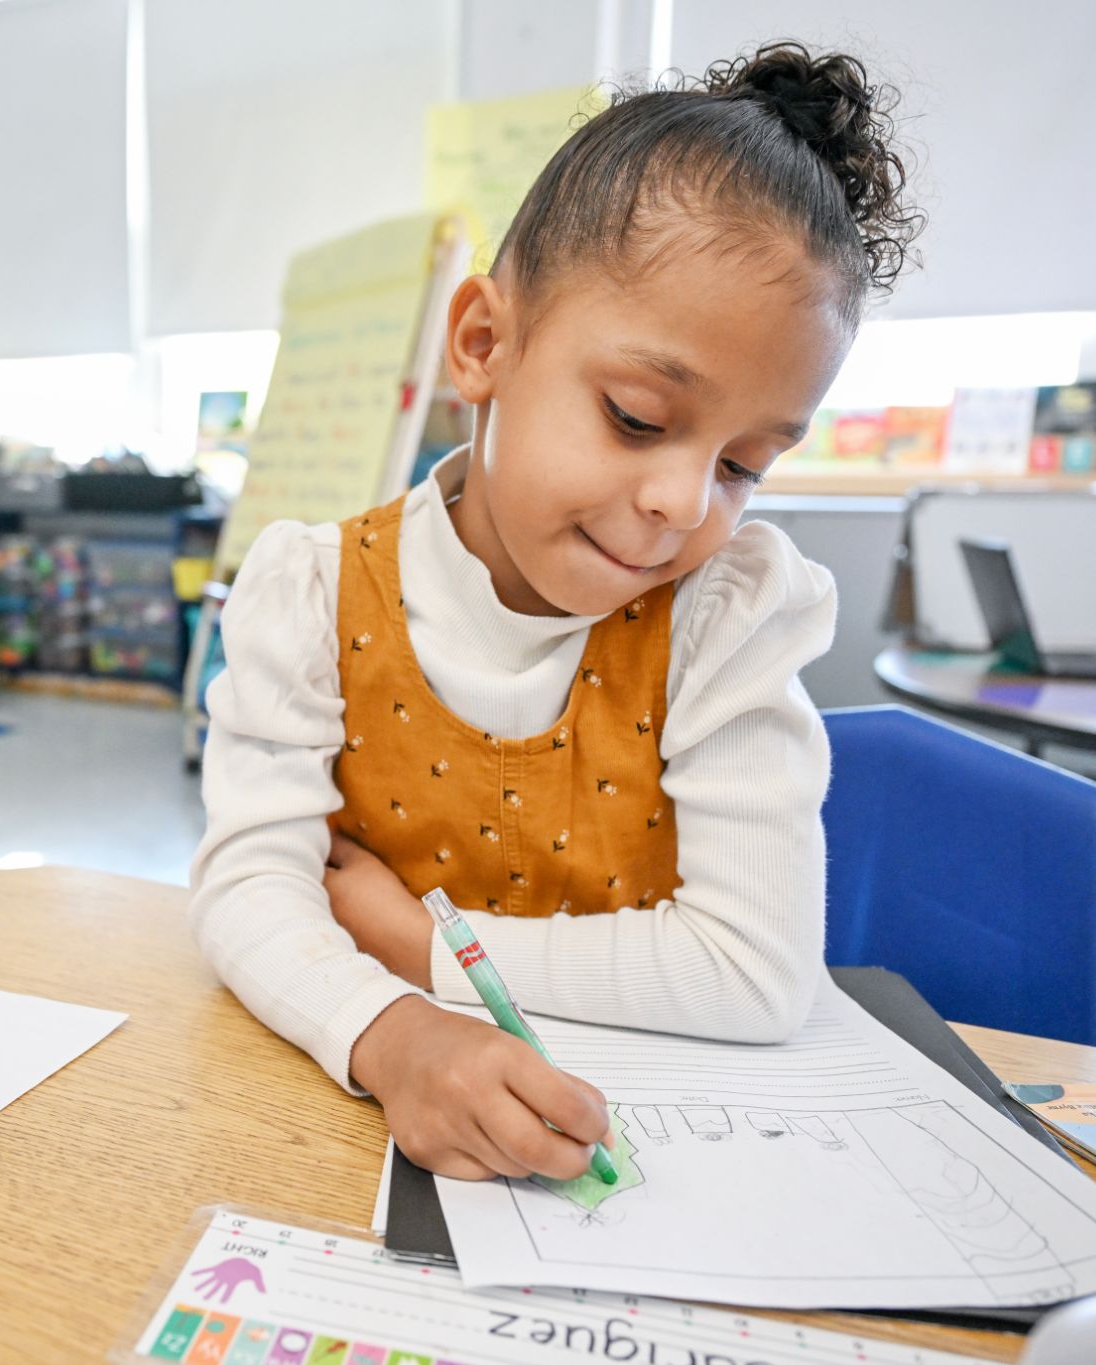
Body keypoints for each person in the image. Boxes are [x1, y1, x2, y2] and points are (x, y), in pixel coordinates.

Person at [192, 42, 923, 1183]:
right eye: (637, 418)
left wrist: (414, 950)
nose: (681, 503)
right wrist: (391, 1035)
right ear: (483, 343)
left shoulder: (724, 615)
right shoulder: (310, 593)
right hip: (342, 1137)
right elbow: (248, 892)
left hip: (659, 1156)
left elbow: (755, 974)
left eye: (742, 464)